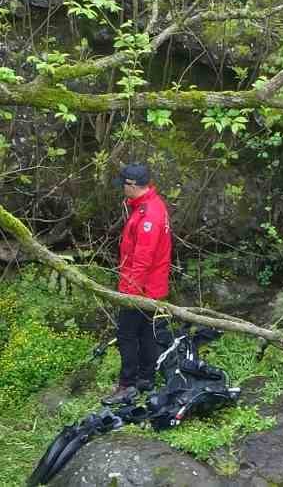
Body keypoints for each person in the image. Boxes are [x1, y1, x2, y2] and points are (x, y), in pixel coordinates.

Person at [103, 162, 172, 405]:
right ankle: (146, 379)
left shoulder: (148, 216)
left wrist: (129, 293)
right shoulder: (150, 205)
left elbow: (143, 258)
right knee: (145, 334)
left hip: (142, 288)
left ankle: (127, 385)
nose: (122, 189)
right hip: (149, 287)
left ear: (132, 185)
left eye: (124, 184)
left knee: (126, 335)